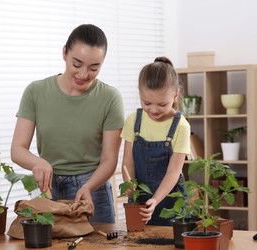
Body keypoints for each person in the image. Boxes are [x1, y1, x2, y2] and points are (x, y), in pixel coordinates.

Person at [11, 24, 124, 223]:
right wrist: (38, 162)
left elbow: (109, 159)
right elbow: (17, 150)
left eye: (94, 68)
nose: (83, 74)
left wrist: (88, 187)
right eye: (76, 64)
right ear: (64, 52)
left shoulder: (110, 98)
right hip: (49, 188)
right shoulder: (36, 92)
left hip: (91, 189)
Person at [120, 56, 190, 226]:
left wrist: (156, 200)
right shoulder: (133, 120)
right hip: (140, 200)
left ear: (175, 95)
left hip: (170, 202)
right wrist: (128, 183)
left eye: (162, 104)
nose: (153, 109)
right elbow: (128, 161)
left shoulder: (181, 126)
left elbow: (173, 172)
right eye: (147, 102)